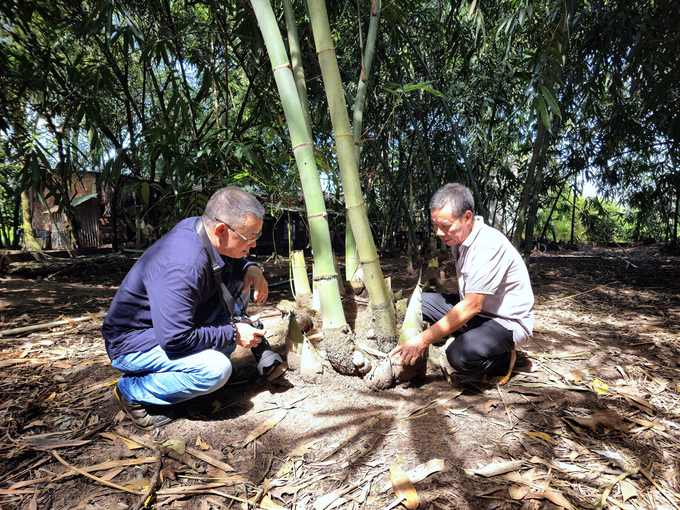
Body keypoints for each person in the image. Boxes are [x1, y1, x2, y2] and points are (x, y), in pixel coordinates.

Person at [103, 187, 281, 430]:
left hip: (168, 328)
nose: (253, 244)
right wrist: (234, 333)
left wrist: (251, 267)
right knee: (215, 371)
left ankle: (206, 370)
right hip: (134, 344)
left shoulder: (200, 229)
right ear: (221, 229)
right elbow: (176, 339)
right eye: (249, 237)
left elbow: (228, 259)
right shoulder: (183, 265)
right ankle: (132, 391)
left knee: (241, 282)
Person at [390, 183, 534, 384]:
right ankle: (464, 332)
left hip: (505, 322)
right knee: (417, 302)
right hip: (477, 313)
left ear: (467, 217)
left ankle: (502, 359)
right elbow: (464, 287)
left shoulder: (487, 246)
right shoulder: (459, 239)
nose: (439, 232)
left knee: (460, 356)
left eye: (445, 225)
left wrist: (422, 341)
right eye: (435, 225)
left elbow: (472, 305)